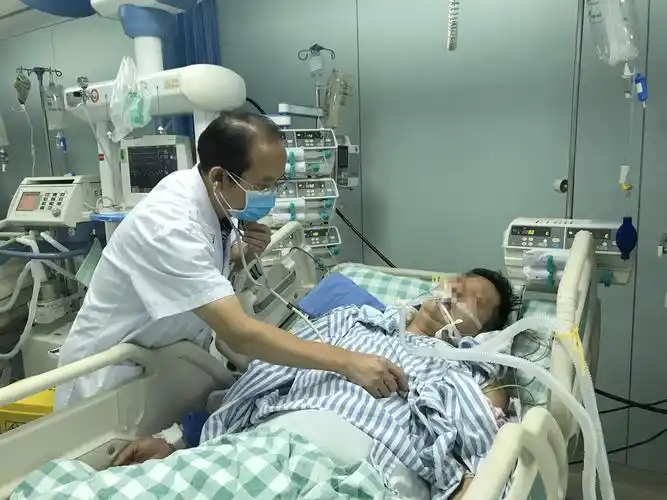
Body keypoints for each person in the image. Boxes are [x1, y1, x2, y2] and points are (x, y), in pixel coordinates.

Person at [54, 111, 407, 410]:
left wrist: (238, 256)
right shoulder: (170, 224)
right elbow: (240, 335)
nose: (270, 195)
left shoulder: (213, 200)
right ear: (220, 177)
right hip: (105, 385)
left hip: (163, 366)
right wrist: (347, 362)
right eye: (263, 185)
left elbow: (198, 265)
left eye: (277, 183)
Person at [112, 269, 517, 499]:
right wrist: (178, 439)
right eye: (458, 281)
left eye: (476, 300)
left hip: (361, 473)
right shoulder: (351, 319)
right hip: (261, 445)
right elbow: (263, 379)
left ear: (484, 330)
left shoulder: (468, 367)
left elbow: (483, 440)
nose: (456, 291)